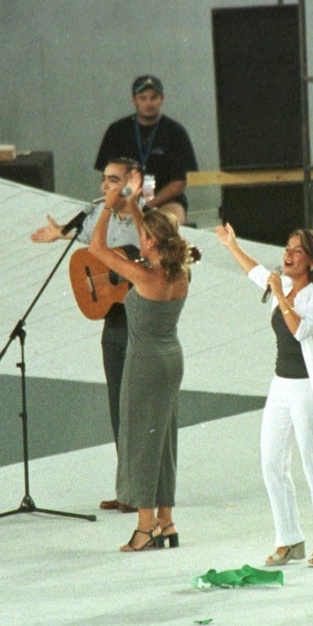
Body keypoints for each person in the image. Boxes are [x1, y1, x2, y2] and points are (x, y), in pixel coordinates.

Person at [216, 224, 313, 568]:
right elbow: (254, 270)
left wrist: (281, 295)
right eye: (287, 247)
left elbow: (300, 330)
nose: (287, 254)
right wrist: (232, 244)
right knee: (272, 463)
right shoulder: (281, 285)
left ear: (312, 261)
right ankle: (289, 538)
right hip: (281, 384)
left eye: (296, 250)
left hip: (307, 388)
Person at [31, 158, 144, 513]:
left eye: (113, 180)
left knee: (136, 406)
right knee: (116, 405)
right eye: (103, 180)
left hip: (139, 319)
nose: (104, 187)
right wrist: (61, 234)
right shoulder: (96, 215)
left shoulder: (147, 221)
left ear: (131, 183)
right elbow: (88, 255)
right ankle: (126, 488)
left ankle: (142, 491)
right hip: (112, 317)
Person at [88, 176, 191, 551]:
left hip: (145, 361)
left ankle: (144, 528)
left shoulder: (144, 275)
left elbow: (97, 246)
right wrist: (130, 204)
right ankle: (166, 521)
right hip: (171, 358)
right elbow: (148, 226)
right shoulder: (180, 272)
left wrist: (107, 205)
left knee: (139, 442)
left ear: (150, 241)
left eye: (143, 233)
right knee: (163, 439)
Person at [94, 75, 198, 224]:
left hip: (166, 201)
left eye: (153, 98)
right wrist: (126, 201)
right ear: (134, 99)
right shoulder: (117, 131)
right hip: (125, 198)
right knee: (98, 222)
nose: (148, 103)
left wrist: (149, 205)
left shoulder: (175, 132)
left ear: (161, 99)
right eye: (143, 98)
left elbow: (179, 181)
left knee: (166, 225)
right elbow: (108, 176)